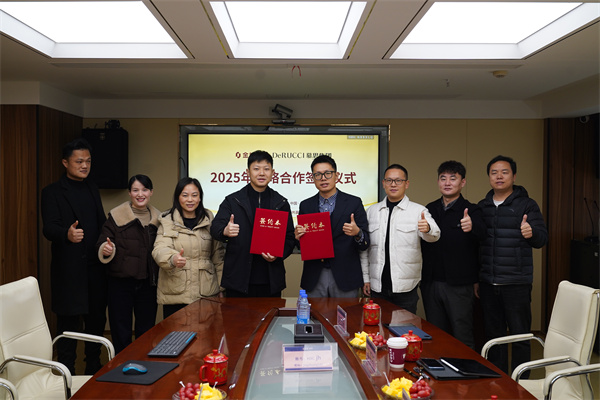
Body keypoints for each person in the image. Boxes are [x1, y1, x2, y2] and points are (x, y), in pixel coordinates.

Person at [41, 138, 107, 375]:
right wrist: (66, 234)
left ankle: (93, 370)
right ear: (65, 163)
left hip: (95, 268)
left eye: (88, 161)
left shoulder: (92, 188)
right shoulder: (52, 192)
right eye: (79, 161)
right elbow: (48, 228)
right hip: (68, 270)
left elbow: (101, 222)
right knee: (68, 324)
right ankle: (66, 374)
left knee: (96, 321)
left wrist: (107, 242)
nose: (84, 166)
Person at [478, 155, 548, 374]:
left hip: (516, 282)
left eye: (504, 172)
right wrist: (477, 279)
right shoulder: (483, 206)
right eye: (494, 172)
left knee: (520, 337)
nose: (499, 176)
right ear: (489, 177)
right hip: (488, 283)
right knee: (493, 338)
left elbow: (542, 239)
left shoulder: (527, 204)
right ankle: (498, 380)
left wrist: (531, 232)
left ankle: (521, 383)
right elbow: (477, 246)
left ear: (514, 176)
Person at [210, 150, 295, 297]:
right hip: (238, 279)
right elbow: (215, 227)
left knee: (271, 313)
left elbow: (289, 237)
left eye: (266, 169)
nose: (261, 173)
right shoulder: (233, 201)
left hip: (271, 280)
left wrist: (278, 254)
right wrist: (225, 231)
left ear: (273, 173)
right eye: (256, 169)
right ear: (248, 172)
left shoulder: (280, 203)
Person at [420, 161, 485, 348]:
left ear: (462, 182)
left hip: (460, 284)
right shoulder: (429, 209)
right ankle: (440, 366)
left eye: (453, 178)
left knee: (462, 332)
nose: (447, 183)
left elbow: (483, 237)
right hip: (431, 282)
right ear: (438, 182)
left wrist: (472, 226)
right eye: (443, 178)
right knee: (435, 334)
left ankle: (466, 367)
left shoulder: (472, 210)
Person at [360, 164, 440, 314]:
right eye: (389, 180)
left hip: (406, 288)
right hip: (377, 286)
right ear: (383, 183)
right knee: (377, 326)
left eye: (398, 181)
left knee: (405, 327)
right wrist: (366, 278)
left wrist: (428, 228)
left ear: (406, 184)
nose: (393, 184)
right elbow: (365, 249)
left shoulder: (418, 211)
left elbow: (435, 236)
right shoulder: (371, 211)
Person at [96, 175, 161, 354]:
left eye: (144, 190)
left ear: (151, 192)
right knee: (121, 331)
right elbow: (102, 241)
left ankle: (143, 366)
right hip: (120, 283)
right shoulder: (116, 216)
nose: (140, 194)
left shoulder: (160, 220)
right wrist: (105, 249)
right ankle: (121, 367)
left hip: (148, 284)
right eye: (135, 190)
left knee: (146, 331)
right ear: (129, 193)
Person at [296, 155, 369, 297]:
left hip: (345, 275)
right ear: (313, 178)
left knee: (347, 312)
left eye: (327, 173)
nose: (323, 178)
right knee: (314, 312)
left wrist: (357, 233)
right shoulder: (306, 205)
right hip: (315, 275)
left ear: (337, 176)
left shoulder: (354, 203)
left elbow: (365, 242)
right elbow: (303, 246)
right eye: (318, 174)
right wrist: (298, 237)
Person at [152, 177, 224, 318]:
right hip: (176, 294)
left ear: (200, 198)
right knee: (175, 332)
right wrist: (172, 259)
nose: (190, 200)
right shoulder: (167, 221)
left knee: (205, 331)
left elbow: (218, 257)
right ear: (178, 197)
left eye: (194, 195)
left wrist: (222, 288)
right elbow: (159, 249)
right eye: (185, 195)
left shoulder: (209, 221)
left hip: (206, 293)